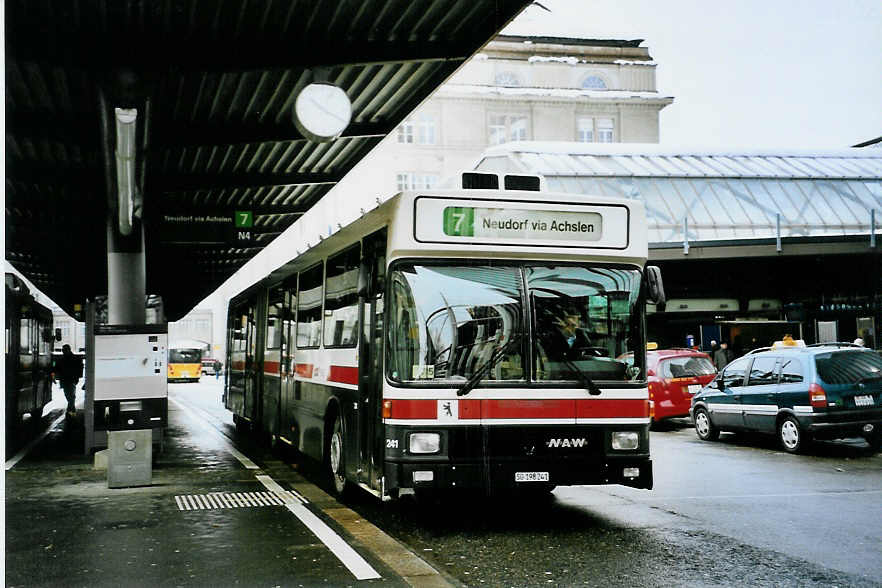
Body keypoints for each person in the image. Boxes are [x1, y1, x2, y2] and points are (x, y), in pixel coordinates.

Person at [55, 344, 83, 416]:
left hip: (68, 379)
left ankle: (71, 409)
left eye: (64, 350)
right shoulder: (74, 358)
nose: (63, 351)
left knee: (69, 394)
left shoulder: (64, 359)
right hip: (69, 379)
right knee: (69, 394)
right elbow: (80, 368)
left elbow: (56, 368)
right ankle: (71, 409)